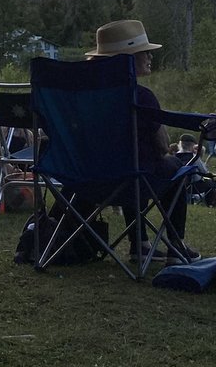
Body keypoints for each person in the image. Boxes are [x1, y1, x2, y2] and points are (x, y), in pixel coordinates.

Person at [85, 19, 199, 264]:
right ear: (125, 58)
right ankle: (176, 246)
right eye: (143, 52)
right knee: (173, 167)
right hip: (130, 182)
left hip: (86, 180)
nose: (150, 56)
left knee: (132, 164)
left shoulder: (83, 98)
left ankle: (141, 244)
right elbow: (160, 148)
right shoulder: (141, 97)